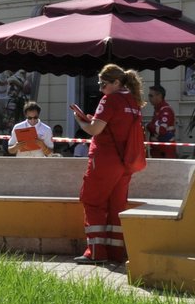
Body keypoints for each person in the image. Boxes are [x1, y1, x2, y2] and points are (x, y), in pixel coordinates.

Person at [69, 64, 147, 265]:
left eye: (103, 84)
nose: (100, 88)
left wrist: (80, 121)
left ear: (116, 82)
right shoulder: (133, 101)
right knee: (116, 206)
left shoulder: (110, 99)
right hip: (125, 162)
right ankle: (115, 252)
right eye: (99, 84)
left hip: (104, 160)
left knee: (92, 201)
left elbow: (95, 129)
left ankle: (95, 252)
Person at [147, 84, 178, 159]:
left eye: (151, 96)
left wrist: (148, 126)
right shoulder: (158, 110)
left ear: (159, 96)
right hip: (158, 150)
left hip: (165, 152)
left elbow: (162, 130)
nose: (149, 98)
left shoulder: (165, 110)